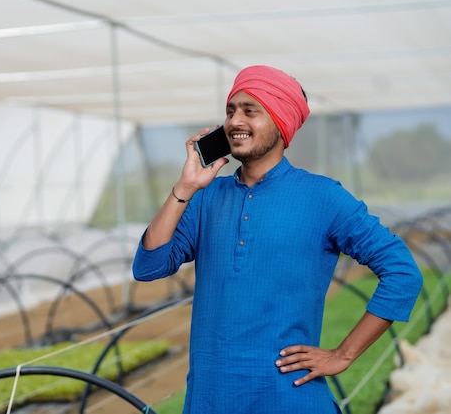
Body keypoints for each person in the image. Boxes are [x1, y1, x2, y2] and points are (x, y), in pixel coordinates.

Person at [132, 65, 423, 413]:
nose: (235, 121)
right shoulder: (206, 197)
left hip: (289, 398)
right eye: (230, 111)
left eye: (249, 111)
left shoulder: (323, 197)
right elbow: (149, 266)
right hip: (210, 398)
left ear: (281, 122)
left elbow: (403, 272)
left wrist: (343, 355)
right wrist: (185, 187)